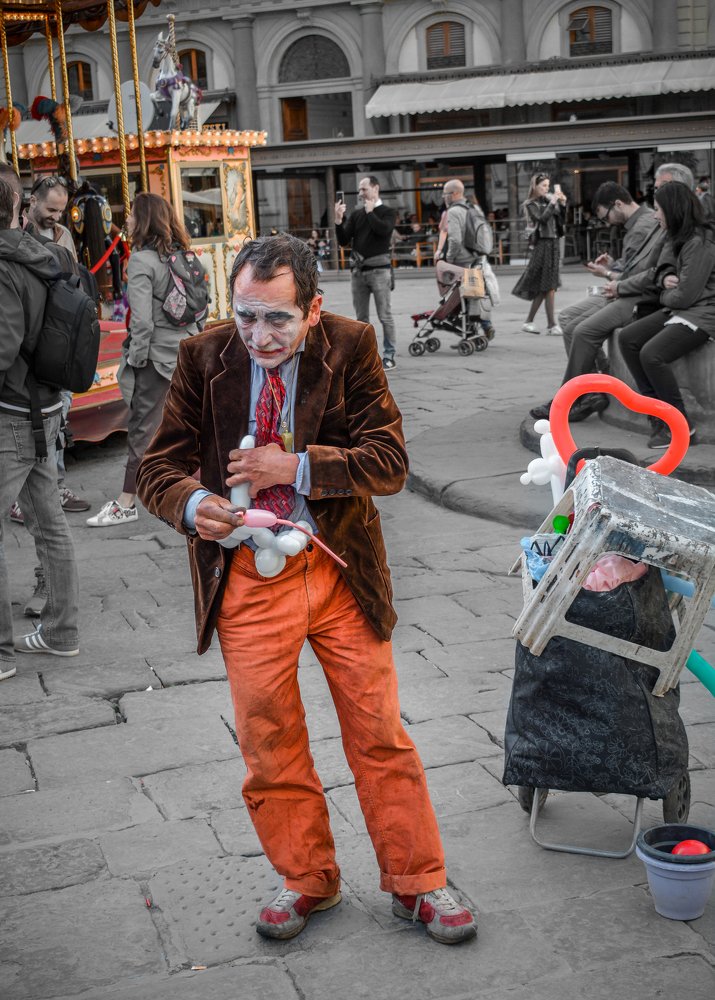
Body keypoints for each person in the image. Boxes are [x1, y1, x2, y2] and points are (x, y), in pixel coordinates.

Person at [136, 234, 477, 946]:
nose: (257, 336)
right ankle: (307, 879)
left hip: (338, 569)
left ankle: (418, 881)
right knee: (268, 739)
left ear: (314, 309)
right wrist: (195, 507)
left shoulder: (351, 345)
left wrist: (291, 468)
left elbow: (387, 462)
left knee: (378, 731)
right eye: (245, 315)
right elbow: (157, 467)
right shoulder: (203, 355)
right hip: (247, 580)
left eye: (276, 319)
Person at [528, 166, 694, 422]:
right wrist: (616, 275)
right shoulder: (659, 224)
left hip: (645, 299)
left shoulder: (666, 227)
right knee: (575, 324)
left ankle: (576, 395)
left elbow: (653, 273)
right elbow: (645, 268)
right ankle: (593, 388)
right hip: (638, 292)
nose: (654, 201)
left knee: (581, 329)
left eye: (659, 191)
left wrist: (613, 280)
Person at [0, 176, 80, 678]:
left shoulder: (5, 265)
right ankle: (61, 632)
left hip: (11, 412)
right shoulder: (43, 252)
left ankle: (2, 654)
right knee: (50, 523)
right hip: (46, 405)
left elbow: (4, 346)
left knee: (48, 523)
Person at [86, 192, 203, 527]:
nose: (127, 221)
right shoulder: (181, 256)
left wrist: (136, 359)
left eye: (133, 214)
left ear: (145, 219)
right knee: (187, 425)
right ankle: (203, 489)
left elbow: (141, 322)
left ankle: (126, 503)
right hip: (184, 353)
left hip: (154, 358)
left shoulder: (140, 261)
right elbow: (198, 311)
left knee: (141, 430)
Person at [618, 181, 715, 449]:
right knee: (628, 338)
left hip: (702, 313)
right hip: (681, 308)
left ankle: (682, 426)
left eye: (658, 209)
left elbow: (685, 295)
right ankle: (659, 417)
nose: (654, 214)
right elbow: (657, 270)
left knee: (652, 354)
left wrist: (663, 294)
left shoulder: (700, 241)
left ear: (672, 210)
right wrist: (665, 278)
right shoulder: (676, 235)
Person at [18, 171, 89, 516]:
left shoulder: (63, 237)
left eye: (61, 211)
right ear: (32, 202)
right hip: (31, 341)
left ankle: (56, 487)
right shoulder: (19, 236)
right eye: (51, 209)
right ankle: (27, 495)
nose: (56, 217)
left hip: (59, 342)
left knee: (60, 417)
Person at [335, 176, 398, 371]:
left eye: (364, 189)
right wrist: (338, 221)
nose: (361, 193)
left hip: (380, 271)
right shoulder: (356, 214)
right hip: (358, 272)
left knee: (385, 315)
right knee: (361, 319)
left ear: (375, 188)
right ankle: (367, 357)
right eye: (360, 190)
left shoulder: (388, 212)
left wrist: (371, 213)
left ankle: (389, 355)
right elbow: (344, 241)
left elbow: (384, 231)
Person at [434, 179, 496, 339]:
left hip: (462, 260)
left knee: (460, 299)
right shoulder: (473, 207)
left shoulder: (454, 211)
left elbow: (454, 239)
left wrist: (448, 259)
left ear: (454, 193)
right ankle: (482, 326)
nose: (443, 197)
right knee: (474, 296)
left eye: (445, 194)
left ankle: (468, 332)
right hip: (476, 258)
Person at [512, 172, 567, 335]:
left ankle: (532, 322)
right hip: (542, 244)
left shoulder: (549, 200)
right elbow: (541, 219)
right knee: (548, 286)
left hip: (553, 243)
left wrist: (562, 204)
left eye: (548, 186)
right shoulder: (530, 204)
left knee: (547, 287)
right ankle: (550, 325)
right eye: (543, 185)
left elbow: (560, 221)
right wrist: (554, 202)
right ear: (534, 186)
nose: (546, 188)